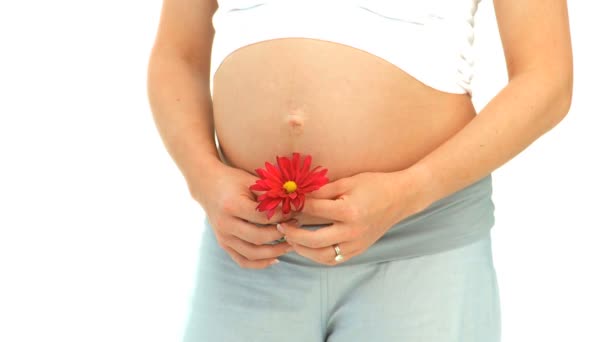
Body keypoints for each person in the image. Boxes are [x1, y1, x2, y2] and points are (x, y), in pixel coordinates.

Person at [147, 0, 572, 341]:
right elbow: (177, 54)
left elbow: (547, 78)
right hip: (249, 252)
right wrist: (203, 177)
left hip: (421, 248)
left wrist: (411, 190)